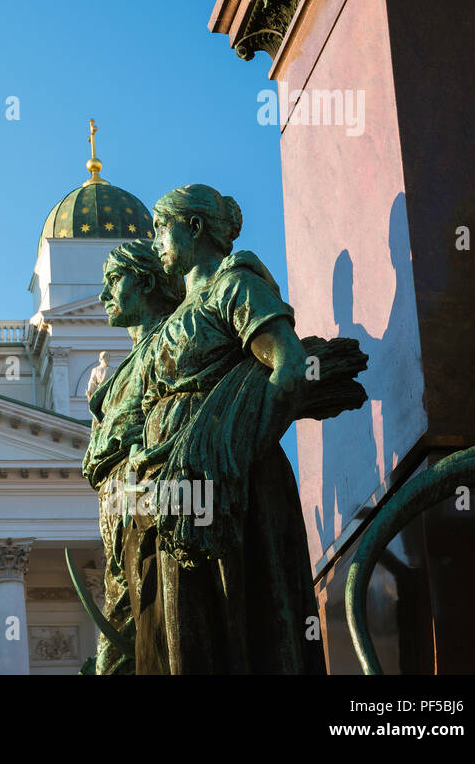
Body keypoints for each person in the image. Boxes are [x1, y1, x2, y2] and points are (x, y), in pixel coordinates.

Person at [125, 183, 325, 674]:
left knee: (240, 622)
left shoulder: (234, 287)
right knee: (182, 637)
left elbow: (291, 367)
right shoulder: (177, 316)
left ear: (194, 228)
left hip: (233, 490)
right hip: (173, 493)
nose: (154, 242)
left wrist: (234, 451)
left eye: (160, 228)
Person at [85, 240, 185, 674]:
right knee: (125, 633)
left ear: (145, 281)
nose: (104, 295)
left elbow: (179, 416)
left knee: (143, 629)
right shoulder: (123, 369)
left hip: (144, 501)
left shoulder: (171, 341)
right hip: (115, 506)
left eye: (112, 281)